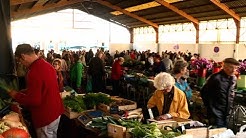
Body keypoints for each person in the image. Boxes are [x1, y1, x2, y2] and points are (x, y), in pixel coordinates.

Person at [8, 44, 64, 138]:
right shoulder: (46, 65)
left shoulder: (34, 71)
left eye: (19, 61)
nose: (21, 64)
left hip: (45, 116)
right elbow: (44, 87)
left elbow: (35, 100)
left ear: (23, 56)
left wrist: (16, 95)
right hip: (55, 112)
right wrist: (26, 91)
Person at [201, 58, 239, 128]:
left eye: (236, 68)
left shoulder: (233, 79)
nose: (233, 70)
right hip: (215, 113)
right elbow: (204, 92)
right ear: (224, 66)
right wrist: (210, 108)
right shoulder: (215, 78)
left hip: (227, 113)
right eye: (231, 67)